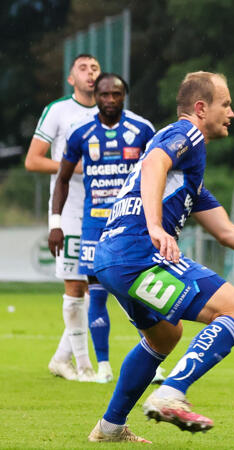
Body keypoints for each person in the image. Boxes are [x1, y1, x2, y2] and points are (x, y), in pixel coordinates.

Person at [86, 71, 234, 443]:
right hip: (137, 252)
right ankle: (170, 394)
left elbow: (228, 231)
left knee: (164, 336)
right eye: (226, 104)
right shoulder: (187, 133)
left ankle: (110, 427)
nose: (232, 113)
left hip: (112, 259)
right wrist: (155, 226)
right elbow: (154, 164)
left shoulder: (190, 175)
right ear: (201, 108)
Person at [48, 73, 158, 383]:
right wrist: (55, 223)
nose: (110, 100)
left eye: (117, 94)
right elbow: (63, 179)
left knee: (138, 290)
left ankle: (154, 357)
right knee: (95, 294)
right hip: (94, 225)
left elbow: (158, 174)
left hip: (131, 221)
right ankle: (103, 367)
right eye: (105, 94)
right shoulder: (80, 132)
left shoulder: (142, 130)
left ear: (125, 96)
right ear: (95, 96)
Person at [25, 53, 101, 382]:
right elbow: (33, 160)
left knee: (95, 285)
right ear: (72, 79)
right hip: (67, 206)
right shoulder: (59, 111)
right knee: (75, 282)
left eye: (95, 68)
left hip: (100, 207)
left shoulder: (108, 114)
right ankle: (83, 366)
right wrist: (74, 167)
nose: (90, 73)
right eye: (82, 68)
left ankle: (61, 358)